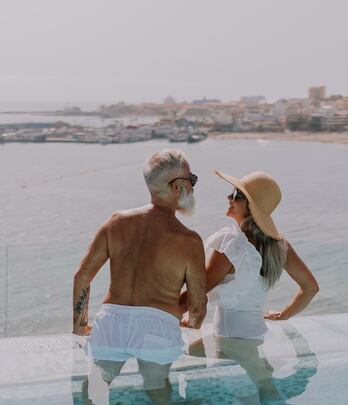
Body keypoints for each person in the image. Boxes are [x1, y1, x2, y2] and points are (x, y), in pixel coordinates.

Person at [72, 149, 207, 403]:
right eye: (192, 180)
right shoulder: (189, 240)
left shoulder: (116, 222)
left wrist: (80, 327)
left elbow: (82, 277)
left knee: (95, 391)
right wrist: (189, 324)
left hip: (112, 319)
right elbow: (198, 307)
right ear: (178, 186)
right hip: (158, 325)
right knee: (158, 391)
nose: (194, 186)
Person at [183, 170, 318, 403]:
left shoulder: (232, 244)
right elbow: (310, 287)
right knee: (260, 392)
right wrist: (284, 315)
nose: (229, 197)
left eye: (236, 195)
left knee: (185, 363)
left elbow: (200, 289)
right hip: (252, 337)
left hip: (232, 340)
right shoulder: (279, 245)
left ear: (250, 207)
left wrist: (163, 313)